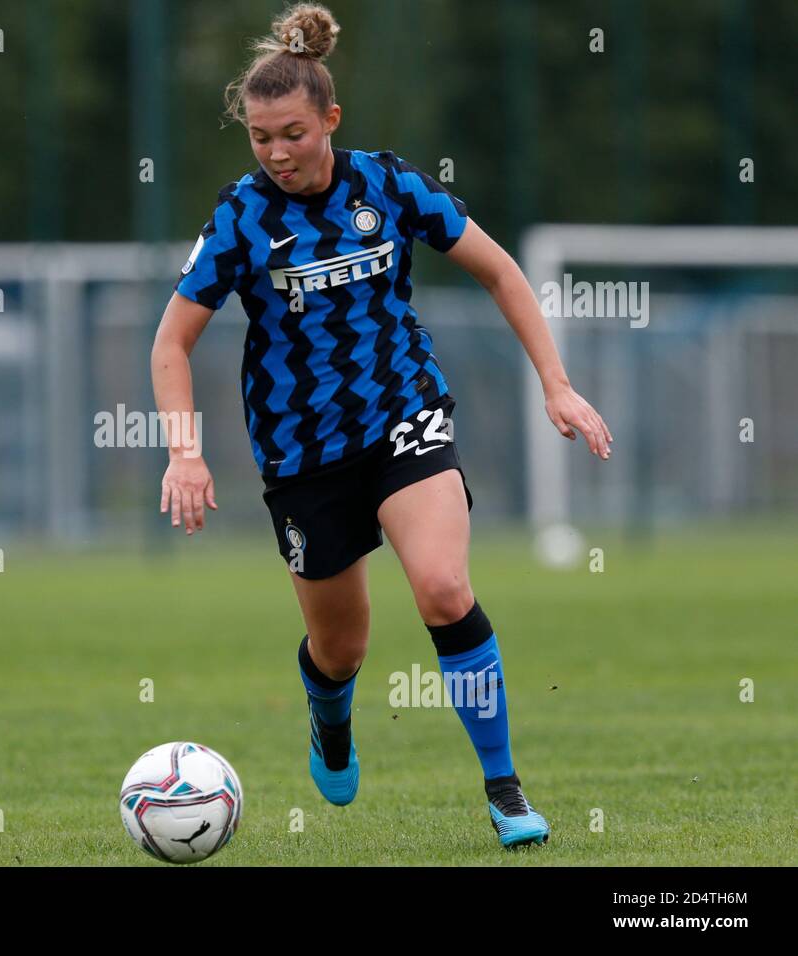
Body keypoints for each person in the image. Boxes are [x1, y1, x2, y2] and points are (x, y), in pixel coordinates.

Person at [152, 3, 612, 849]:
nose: (277, 153)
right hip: (301, 452)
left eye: (293, 132)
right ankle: (331, 720)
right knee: (342, 648)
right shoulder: (241, 217)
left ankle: (505, 790)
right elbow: (172, 340)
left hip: (405, 417)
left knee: (442, 588)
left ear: (330, 119)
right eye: (260, 138)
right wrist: (185, 452)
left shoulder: (390, 184)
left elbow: (501, 271)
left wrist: (557, 383)